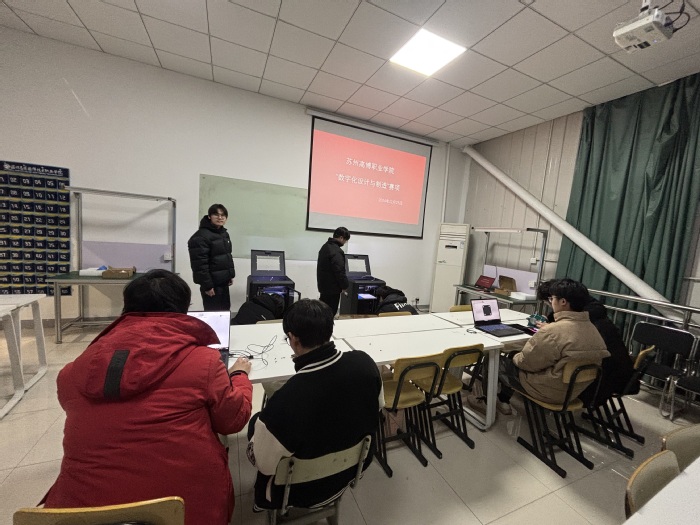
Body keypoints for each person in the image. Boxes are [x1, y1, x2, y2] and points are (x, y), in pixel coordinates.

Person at [43, 270, 253, 525]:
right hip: (184, 509)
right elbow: (232, 420)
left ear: (127, 308)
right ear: (183, 309)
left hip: (80, 514)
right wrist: (239, 376)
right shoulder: (203, 361)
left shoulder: (71, 373)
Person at [246, 298, 383, 511]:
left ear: (293, 339)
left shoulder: (285, 401)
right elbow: (379, 407)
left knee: (255, 423)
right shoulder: (365, 363)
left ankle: (262, 505)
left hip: (299, 491)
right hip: (353, 470)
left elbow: (263, 463)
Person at [470, 278, 609, 415]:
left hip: (548, 390)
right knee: (516, 357)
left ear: (563, 302)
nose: (551, 302)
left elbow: (525, 363)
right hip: (573, 392)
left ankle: (487, 403)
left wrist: (515, 355)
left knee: (494, 360)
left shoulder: (552, 331)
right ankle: (503, 400)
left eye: (552, 298)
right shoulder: (593, 330)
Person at [535, 280, 637, 406]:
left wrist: (552, 329)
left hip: (596, 383)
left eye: (551, 300)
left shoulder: (583, 325)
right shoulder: (592, 314)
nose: (550, 305)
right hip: (617, 376)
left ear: (563, 301)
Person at [188, 203, 235, 311]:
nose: (220, 218)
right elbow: (200, 265)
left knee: (225, 311)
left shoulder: (223, 234)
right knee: (213, 313)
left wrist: (229, 275)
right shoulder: (200, 236)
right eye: (216, 215)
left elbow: (226, 256)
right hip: (212, 285)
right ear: (209, 216)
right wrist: (207, 286)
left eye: (223, 215)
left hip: (223, 282)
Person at [316, 226, 350, 313]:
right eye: (345, 240)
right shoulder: (336, 251)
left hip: (323, 287)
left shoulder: (325, 247)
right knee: (331, 312)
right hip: (333, 290)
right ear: (341, 237)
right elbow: (340, 271)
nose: (345, 242)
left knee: (323, 311)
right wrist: (345, 286)